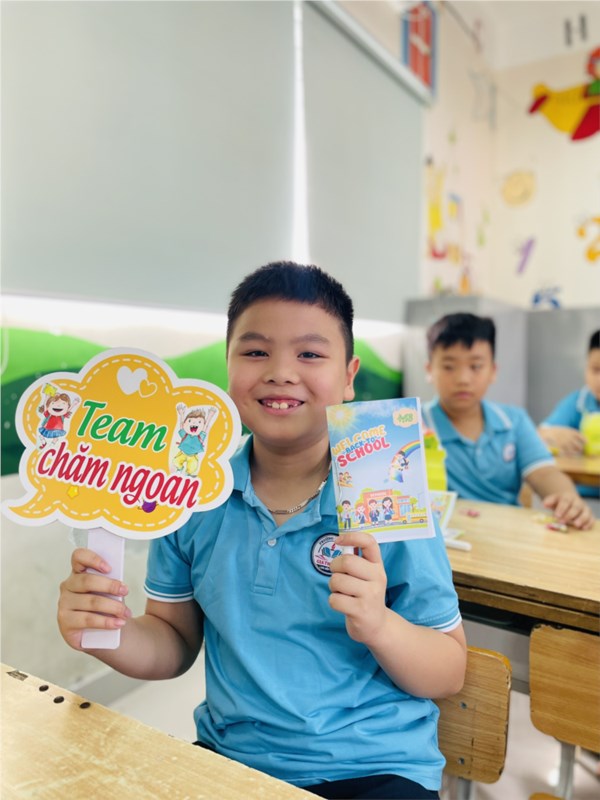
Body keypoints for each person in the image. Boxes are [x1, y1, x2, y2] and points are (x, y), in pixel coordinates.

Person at [58, 261, 466, 800]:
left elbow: (449, 671)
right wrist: (106, 630)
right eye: (255, 352)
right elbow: (174, 641)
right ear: (227, 366)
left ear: (349, 376)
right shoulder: (192, 492)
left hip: (376, 770)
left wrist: (380, 625)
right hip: (230, 761)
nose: (280, 372)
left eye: (310, 354)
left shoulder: (386, 489)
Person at [422, 312, 594, 530]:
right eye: (449, 366)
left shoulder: (514, 421)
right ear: (429, 370)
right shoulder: (412, 426)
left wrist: (567, 499)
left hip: (508, 536)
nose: (463, 379)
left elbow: (544, 473)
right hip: (447, 540)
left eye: (476, 366)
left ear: (493, 371)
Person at [538, 329, 600, 498]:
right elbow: (538, 435)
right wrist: (553, 434)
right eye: (595, 369)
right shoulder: (578, 402)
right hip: (579, 496)